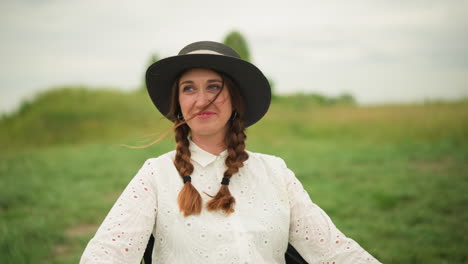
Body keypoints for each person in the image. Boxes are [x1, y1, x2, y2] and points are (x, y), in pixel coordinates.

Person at [80, 41, 381, 263]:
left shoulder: (275, 172)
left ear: (236, 99)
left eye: (214, 87)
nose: (201, 100)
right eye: (189, 88)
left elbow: (333, 250)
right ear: (179, 103)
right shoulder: (156, 175)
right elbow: (106, 255)